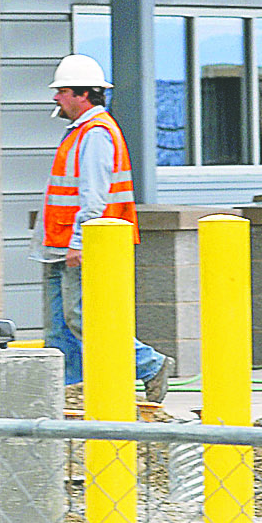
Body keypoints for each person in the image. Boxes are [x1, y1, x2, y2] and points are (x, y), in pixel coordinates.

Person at [34, 54, 175, 403]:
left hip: (81, 247)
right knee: (61, 329)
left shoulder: (96, 134)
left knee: (84, 318)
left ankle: (149, 364)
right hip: (60, 246)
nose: (56, 98)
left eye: (62, 91)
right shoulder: (83, 132)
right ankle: (73, 394)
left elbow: (93, 198)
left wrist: (80, 243)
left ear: (83, 95)